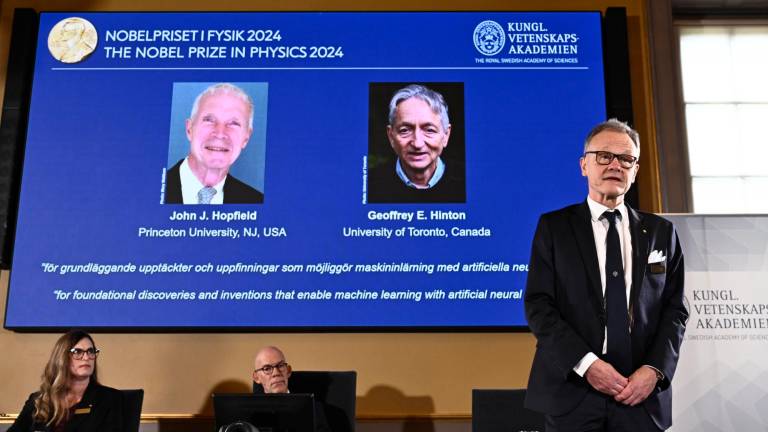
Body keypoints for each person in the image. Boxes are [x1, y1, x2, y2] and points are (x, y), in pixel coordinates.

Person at [523, 119, 688, 431]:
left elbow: (675, 310)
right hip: (573, 392)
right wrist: (588, 365)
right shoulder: (555, 228)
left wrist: (653, 371)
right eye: (604, 156)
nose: (616, 165)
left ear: (636, 170)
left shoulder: (662, 233)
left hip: (639, 396)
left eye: (626, 159)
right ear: (584, 165)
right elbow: (539, 306)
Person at [165, 82, 264, 204]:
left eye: (233, 123)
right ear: (189, 129)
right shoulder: (150, 188)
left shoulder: (256, 201)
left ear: (246, 138)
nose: (220, 133)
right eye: (209, 120)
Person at [9, 330, 124, 432]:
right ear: (62, 358)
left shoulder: (111, 399)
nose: (86, 357)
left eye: (91, 351)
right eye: (77, 352)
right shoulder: (38, 400)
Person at [367, 84, 465, 203]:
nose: (417, 144)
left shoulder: (469, 182)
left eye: (429, 130)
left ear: (446, 135)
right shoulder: (369, 185)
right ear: (391, 136)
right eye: (405, 130)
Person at [252, 346, 331, 432]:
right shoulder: (250, 413)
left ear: (288, 371)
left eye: (281, 365)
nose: (276, 373)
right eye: (267, 368)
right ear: (256, 378)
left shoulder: (314, 409)